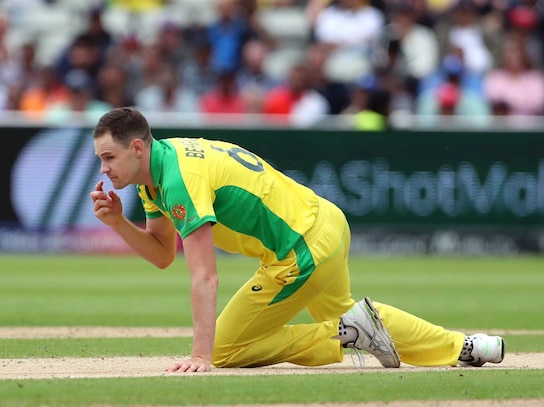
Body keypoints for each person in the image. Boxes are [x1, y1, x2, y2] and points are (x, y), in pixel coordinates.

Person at [89, 107, 504, 373]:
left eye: (109, 157)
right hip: (326, 224)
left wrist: (200, 356)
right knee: (352, 314)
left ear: (138, 148)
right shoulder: (156, 175)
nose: (105, 169)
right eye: (101, 160)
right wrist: (119, 224)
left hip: (301, 250)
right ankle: (467, 346)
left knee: (224, 350)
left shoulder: (177, 178)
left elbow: (205, 277)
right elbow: (163, 255)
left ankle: (344, 334)